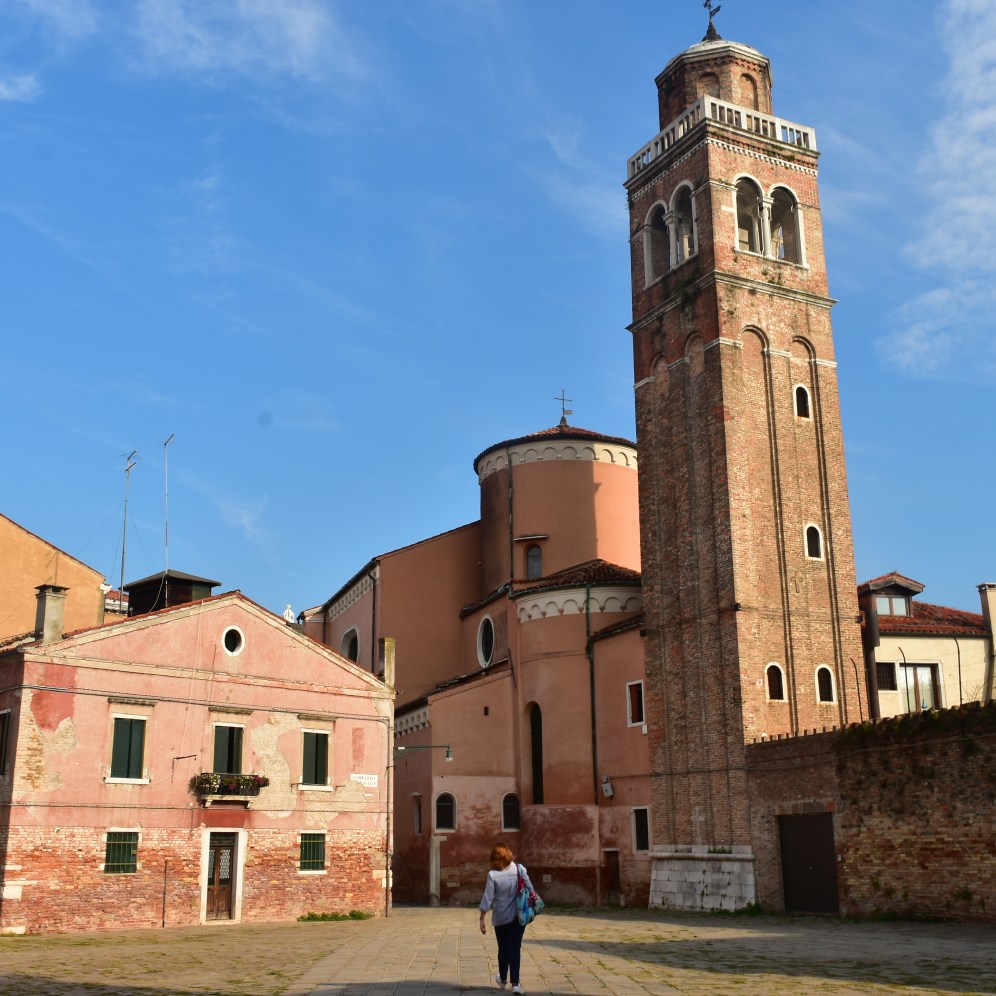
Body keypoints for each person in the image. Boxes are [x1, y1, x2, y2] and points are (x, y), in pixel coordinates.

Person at [479, 841, 534, 994]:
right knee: (515, 948)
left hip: (501, 918)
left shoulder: (493, 875)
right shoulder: (519, 868)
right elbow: (530, 888)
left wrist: (482, 918)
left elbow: (488, 897)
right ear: (508, 854)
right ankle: (515, 984)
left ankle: (503, 979)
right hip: (518, 916)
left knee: (503, 949)